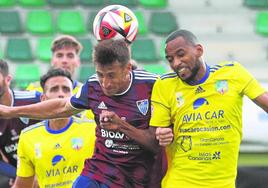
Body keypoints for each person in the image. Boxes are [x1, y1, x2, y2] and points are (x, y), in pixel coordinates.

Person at [0, 39, 165, 188]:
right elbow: (62, 106)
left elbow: (154, 145)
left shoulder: (152, 85)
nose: (105, 83)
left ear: (128, 68)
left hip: (137, 174)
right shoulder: (93, 86)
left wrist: (121, 126)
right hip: (99, 170)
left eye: (111, 75)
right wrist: (10, 111)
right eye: (101, 75)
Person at [151, 29, 268, 188]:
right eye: (170, 59)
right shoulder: (164, 85)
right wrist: (162, 134)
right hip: (180, 182)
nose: (176, 63)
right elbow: (156, 135)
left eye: (181, 54)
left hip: (223, 183)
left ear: (198, 50)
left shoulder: (233, 74)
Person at [12, 68, 96, 188]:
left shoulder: (91, 129)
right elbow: (22, 186)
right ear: (43, 99)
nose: (61, 93)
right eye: (54, 89)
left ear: (73, 96)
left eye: (66, 89)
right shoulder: (28, 137)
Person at [0, 59, 41, 185]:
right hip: (16, 173)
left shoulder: (34, 99)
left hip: (50, 166)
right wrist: (23, 178)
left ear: (8, 79)